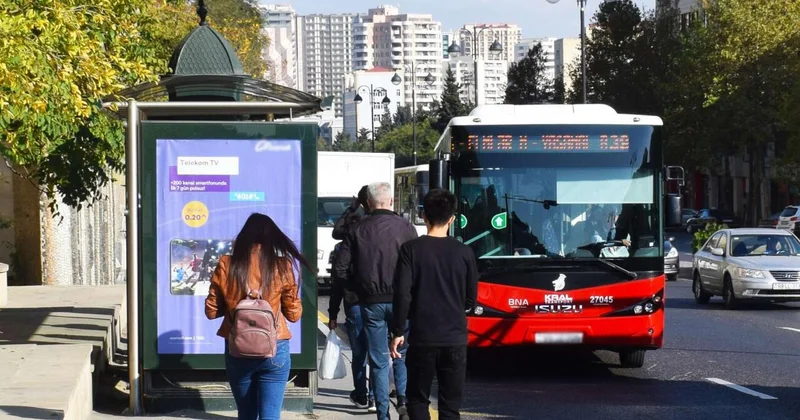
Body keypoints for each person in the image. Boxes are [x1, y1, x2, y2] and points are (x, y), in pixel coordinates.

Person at [204, 213, 310, 420]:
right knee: (271, 415)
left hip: (238, 348)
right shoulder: (282, 265)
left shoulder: (226, 264)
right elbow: (294, 315)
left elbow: (211, 311)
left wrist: (234, 303)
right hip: (275, 347)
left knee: (246, 414)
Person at [391, 189, 478, 420]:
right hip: (454, 338)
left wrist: (398, 331)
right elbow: (471, 299)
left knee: (418, 399)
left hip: (423, 337)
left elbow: (402, 294)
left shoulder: (411, 250)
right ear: (452, 219)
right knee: (450, 405)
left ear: (424, 216)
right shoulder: (464, 252)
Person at [335, 182, 418, 420]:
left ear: (369, 203)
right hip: (402, 301)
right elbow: (416, 265)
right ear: (391, 201)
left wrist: (359, 289)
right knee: (402, 353)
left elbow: (340, 269)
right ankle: (403, 399)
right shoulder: (406, 227)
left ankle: (383, 414)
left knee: (379, 360)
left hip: (371, 302)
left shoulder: (357, 229)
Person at [328, 185, 377, 412]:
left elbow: (337, 284)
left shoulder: (343, 246)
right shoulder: (376, 236)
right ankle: (375, 396)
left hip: (354, 303)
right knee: (377, 352)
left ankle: (361, 394)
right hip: (377, 300)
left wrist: (332, 314)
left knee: (359, 354)